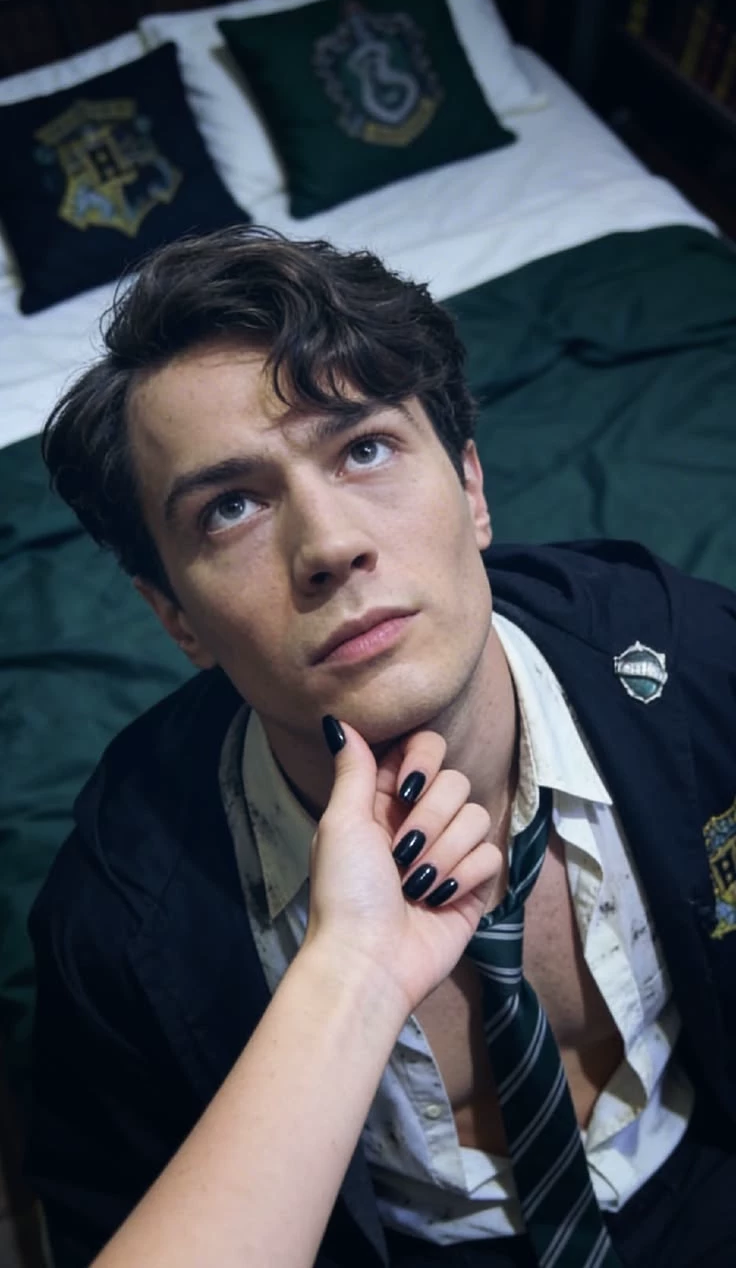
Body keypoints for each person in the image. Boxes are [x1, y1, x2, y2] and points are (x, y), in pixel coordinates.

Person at [26, 225, 736, 1268]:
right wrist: (349, 977)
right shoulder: (114, 926)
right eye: (230, 508)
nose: (329, 545)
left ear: (472, 486)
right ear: (176, 616)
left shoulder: (697, 661)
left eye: (363, 448)